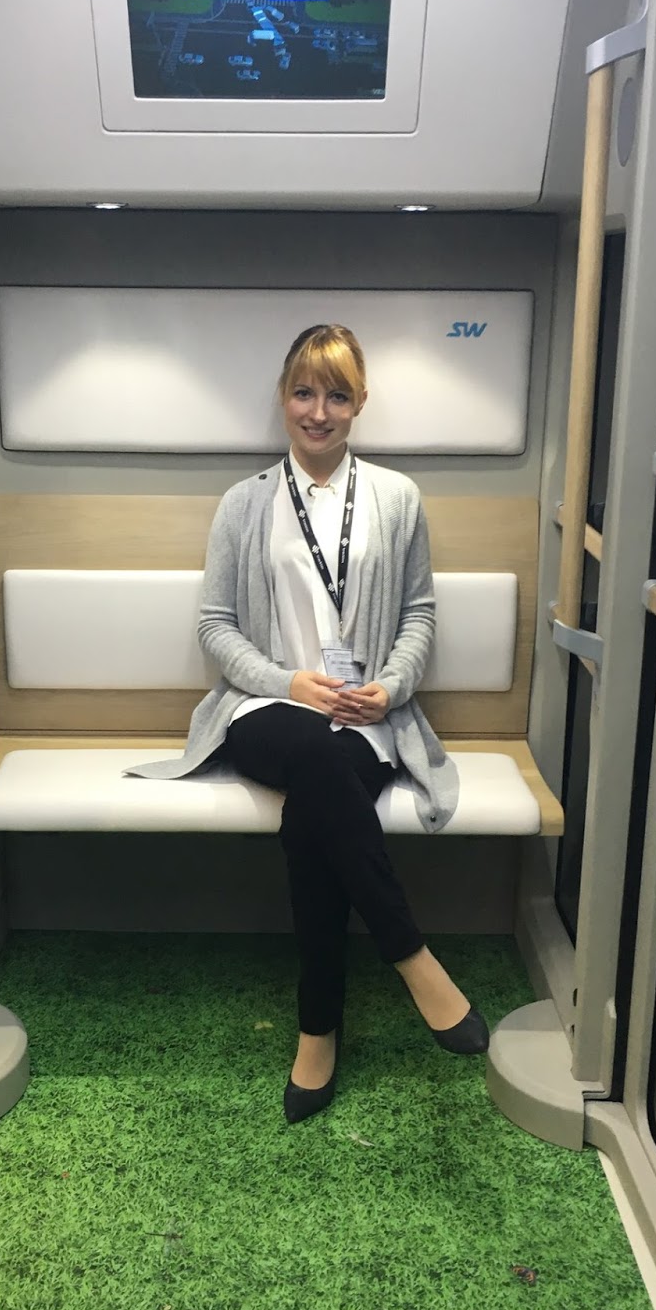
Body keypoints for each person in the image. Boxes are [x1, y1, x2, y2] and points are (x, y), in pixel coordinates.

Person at [129, 324, 489, 1123]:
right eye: (303, 392)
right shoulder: (245, 502)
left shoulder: (397, 498)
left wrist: (389, 689)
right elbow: (216, 626)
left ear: (360, 403)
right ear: (282, 398)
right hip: (263, 710)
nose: (318, 411)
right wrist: (289, 682)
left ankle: (317, 1030)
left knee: (316, 809)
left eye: (336, 395)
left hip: (366, 720)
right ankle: (412, 957)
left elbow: (419, 614)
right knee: (316, 763)